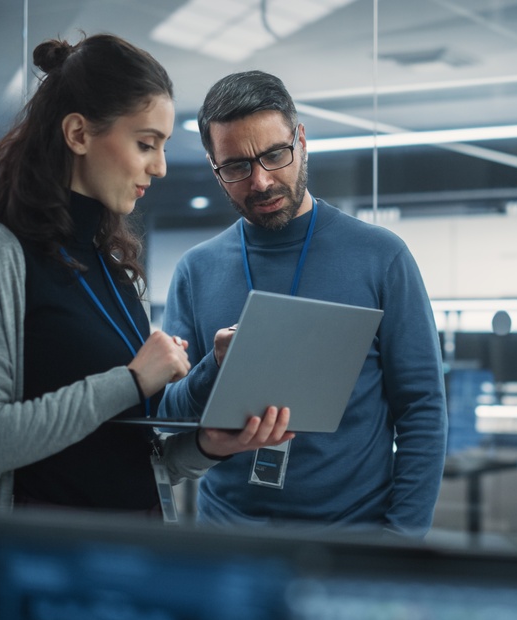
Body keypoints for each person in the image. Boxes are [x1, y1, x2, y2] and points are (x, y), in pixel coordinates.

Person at [0, 35, 292, 515]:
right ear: (78, 134)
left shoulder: (117, 270)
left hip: (134, 556)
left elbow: (135, 455)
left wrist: (208, 445)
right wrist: (130, 381)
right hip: (41, 568)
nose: (160, 167)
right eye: (146, 144)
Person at [161, 70, 448, 537]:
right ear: (215, 168)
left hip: (353, 541)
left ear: (301, 140)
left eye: (275, 155)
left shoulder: (381, 256)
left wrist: (402, 538)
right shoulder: (196, 271)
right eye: (236, 166)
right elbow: (169, 417)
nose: (260, 181)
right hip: (229, 541)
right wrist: (215, 367)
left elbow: (422, 409)